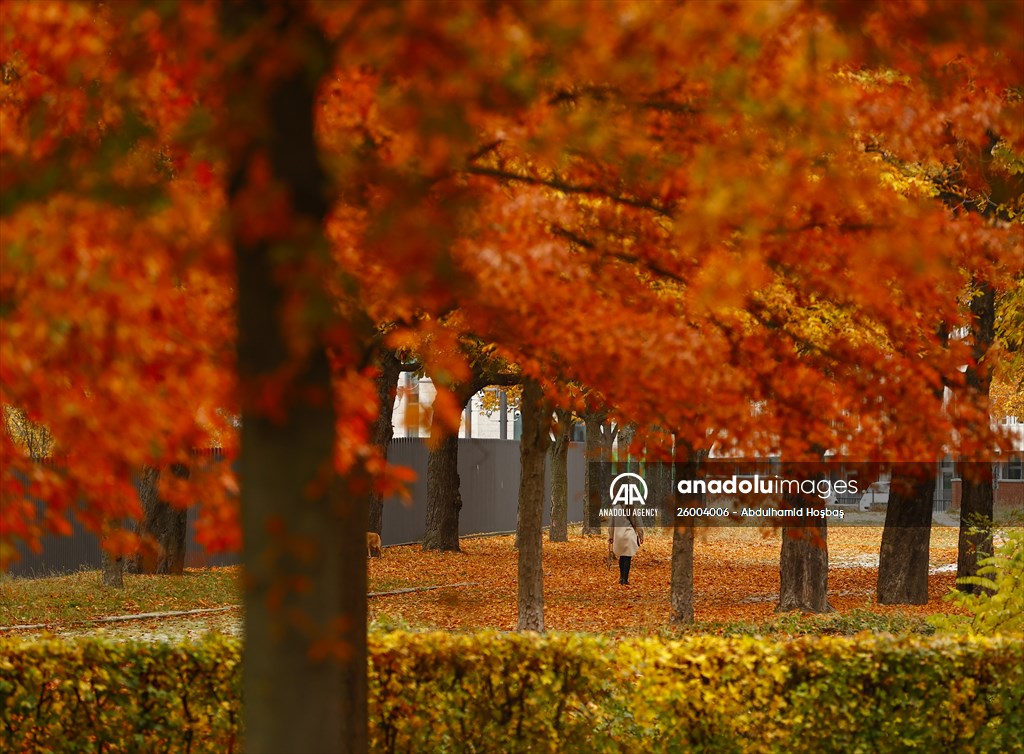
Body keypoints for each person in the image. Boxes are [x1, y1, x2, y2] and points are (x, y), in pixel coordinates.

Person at [608, 512, 644, 585]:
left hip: (619, 536)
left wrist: (611, 536)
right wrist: (641, 536)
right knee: (627, 557)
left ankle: (621, 578)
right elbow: (638, 524)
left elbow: (611, 524)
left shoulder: (616, 509)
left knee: (621, 556)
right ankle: (625, 579)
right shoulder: (633, 509)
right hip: (629, 536)